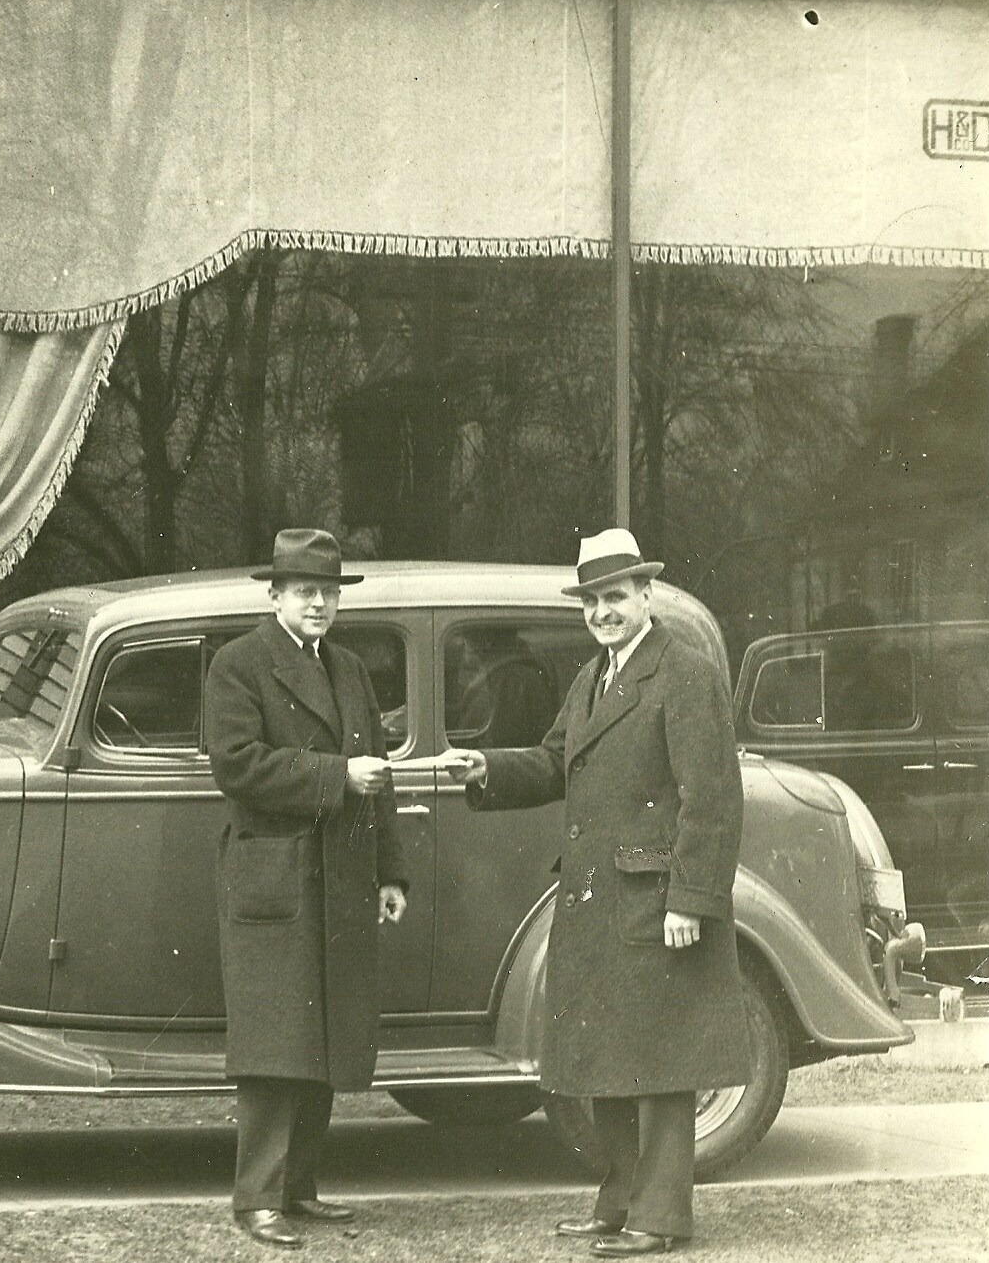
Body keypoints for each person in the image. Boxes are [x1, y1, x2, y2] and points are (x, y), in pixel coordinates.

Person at [443, 528, 749, 1257]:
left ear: (646, 595)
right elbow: (557, 761)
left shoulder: (684, 670)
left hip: (653, 903)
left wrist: (690, 900)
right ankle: (617, 1205)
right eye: (593, 601)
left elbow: (712, 798)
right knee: (608, 1058)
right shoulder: (595, 677)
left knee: (661, 1064)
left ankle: (661, 1217)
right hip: (597, 901)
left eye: (616, 597)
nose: (604, 612)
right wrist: (483, 768)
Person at [205, 527, 409, 1250]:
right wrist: (335, 777)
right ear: (276, 595)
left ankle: (299, 1188)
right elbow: (236, 765)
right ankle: (256, 1198)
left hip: (343, 876)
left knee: (323, 1037)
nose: (318, 603)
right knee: (275, 1045)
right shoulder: (239, 665)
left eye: (328, 592)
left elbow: (376, 771)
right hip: (277, 879)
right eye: (304, 591)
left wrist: (391, 871)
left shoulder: (349, 667)